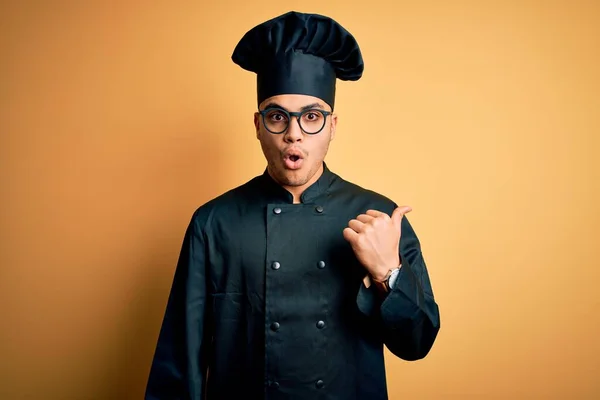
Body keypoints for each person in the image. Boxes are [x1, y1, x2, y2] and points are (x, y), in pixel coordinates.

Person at [145, 11, 440, 400]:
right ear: (257, 124)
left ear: (333, 126)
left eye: (312, 117)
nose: (294, 134)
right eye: (277, 117)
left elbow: (416, 343)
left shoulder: (379, 219)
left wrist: (388, 273)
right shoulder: (213, 222)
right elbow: (180, 361)